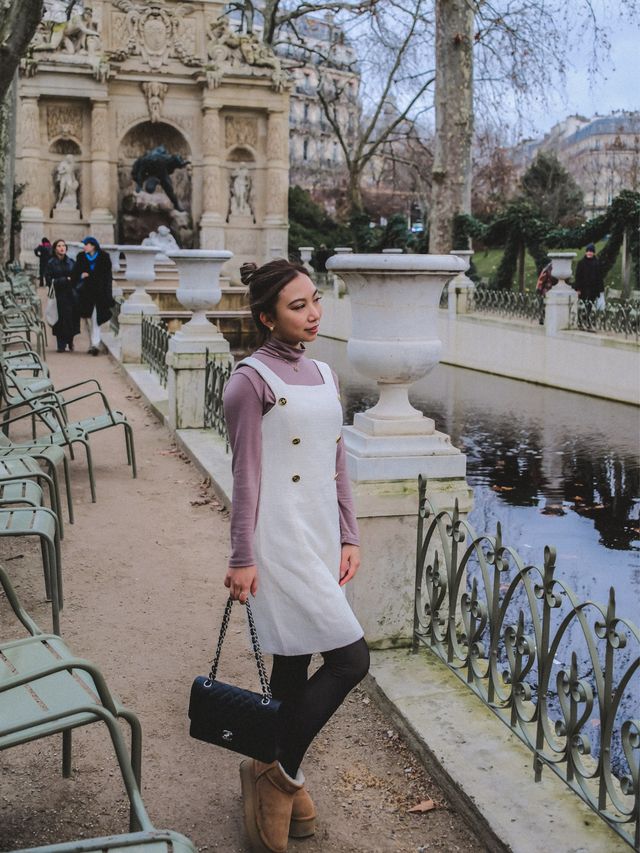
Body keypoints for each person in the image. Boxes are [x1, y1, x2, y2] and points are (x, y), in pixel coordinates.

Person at [222, 259, 369, 853]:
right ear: (265, 317)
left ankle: (266, 766)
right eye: (297, 306)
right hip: (277, 540)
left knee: (290, 665)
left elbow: (337, 463)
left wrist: (351, 535)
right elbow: (246, 478)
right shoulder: (248, 381)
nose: (314, 313)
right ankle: (279, 774)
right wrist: (241, 557)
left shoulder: (327, 374)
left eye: (315, 301)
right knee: (351, 660)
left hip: (320, 535)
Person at [71, 236, 114, 355]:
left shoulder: (104, 257)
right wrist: (81, 276)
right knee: (89, 319)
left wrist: (108, 294)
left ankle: (95, 344)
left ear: (93, 246)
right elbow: (75, 273)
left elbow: (107, 277)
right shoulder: (81, 257)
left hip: (99, 293)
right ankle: (93, 343)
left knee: (96, 319)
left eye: (86, 244)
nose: (84, 247)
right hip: (85, 293)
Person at [45, 239, 79, 353]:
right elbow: (49, 280)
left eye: (63, 246)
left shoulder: (71, 262)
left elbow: (75, 277)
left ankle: (70, 341)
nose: (62, 248)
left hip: (71, 294)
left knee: (71, 319)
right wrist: (65, 280)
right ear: (55, 249)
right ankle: (61, 344)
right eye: (59, 246)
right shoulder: (51, 263)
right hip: (58, 295)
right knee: (59, 320)